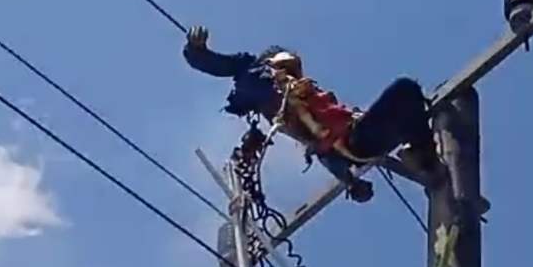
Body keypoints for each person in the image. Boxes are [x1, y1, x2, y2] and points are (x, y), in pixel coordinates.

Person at [182, 26, 441, 203]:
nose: (293, 72)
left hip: (360, 136)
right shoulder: (258, 78)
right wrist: (197, 51)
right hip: (351, 145)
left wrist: (351, 182)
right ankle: (423, 156)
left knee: (408, 93)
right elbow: (320, 147)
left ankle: (424, 158)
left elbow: (323, 141)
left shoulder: (310, 97)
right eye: (287, 66)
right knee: (405, 90)